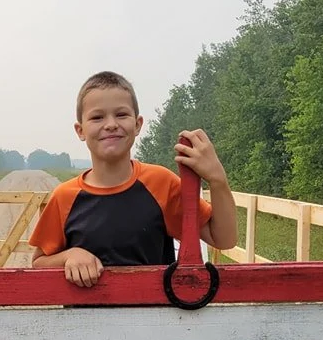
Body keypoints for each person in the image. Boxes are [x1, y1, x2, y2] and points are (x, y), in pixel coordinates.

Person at [29, 71, 238, 287]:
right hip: (85, 320)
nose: (110, 124)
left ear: (137, 124)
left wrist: (217, 180)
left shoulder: (161, 183)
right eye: (97, 117)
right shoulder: (64, 197)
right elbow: (38, 262)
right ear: (80, 130)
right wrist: (68, 256)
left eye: (121, 114)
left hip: (154, 319)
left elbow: (223, 239)